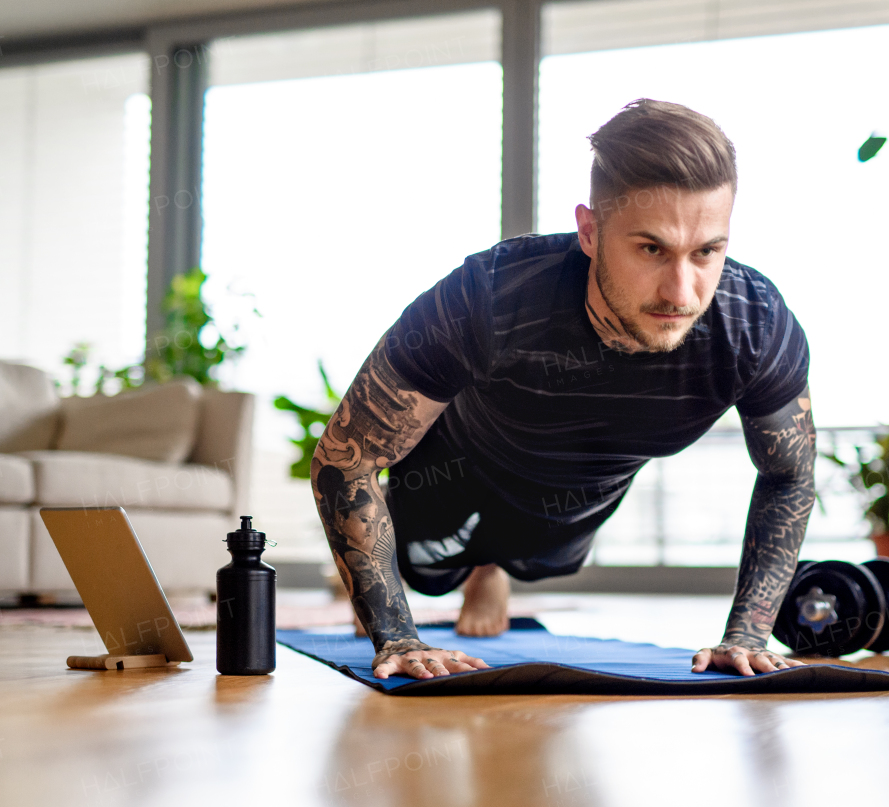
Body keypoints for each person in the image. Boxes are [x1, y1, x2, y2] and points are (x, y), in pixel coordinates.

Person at [312, 98, 815, 681]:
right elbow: (344, 461)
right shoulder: (490, 295)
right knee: (419, 562)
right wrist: (395, 633)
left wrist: (749, 634)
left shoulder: (754, 324)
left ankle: (492, 570)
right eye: (651, 249)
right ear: (590, 231)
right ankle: (450, 575)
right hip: (457, 459)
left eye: (706, 252)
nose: (682, 291)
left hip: (578, 490)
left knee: (541, 557)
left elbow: (790, 473)